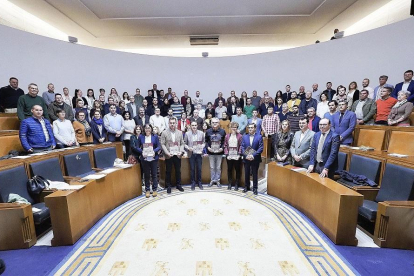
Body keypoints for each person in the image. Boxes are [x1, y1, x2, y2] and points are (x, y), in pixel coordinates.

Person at [161, 117, 185, 193]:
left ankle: (178, 185)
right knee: (168, 171)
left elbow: (182, 143)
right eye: (170, 123)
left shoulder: (180, 132)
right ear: (168, 124)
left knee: (178, 171)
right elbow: (162, 144)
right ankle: (168, 186)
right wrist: (167, 152)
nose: (172, 124)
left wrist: (181, 151)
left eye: (173, 123)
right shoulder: (164, 132)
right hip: (169, 155)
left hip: (177, 155)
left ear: (176, 123)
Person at [136, 124, 161, 197]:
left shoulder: (155, 136)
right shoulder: (141, 137)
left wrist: (154, 151)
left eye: (149, 128)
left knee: (154, 174)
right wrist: (142, 152)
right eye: (146, 128)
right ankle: (147, 189)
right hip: (145, 158)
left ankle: (154, 189)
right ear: (144, 129)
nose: (147, 130)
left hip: (153, 158)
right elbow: (137, 147)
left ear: (151, 129)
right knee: (146, 174)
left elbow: (159, 146)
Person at [241, 123, 264, 195]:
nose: (250, 129)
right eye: (249, 128)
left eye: (251, 128)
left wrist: (253, 155)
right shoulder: (244, 136)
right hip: (246, 158)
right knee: (246, 173)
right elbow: (242, 147)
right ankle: (246, 186)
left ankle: (255, 188)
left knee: (255, 173)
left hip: (255, 158)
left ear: (255, 128)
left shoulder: (259, 137)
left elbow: (261, 148)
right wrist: (246, 155)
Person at [184, 121, 205, 190]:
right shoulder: (187, 134)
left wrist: (202, 146)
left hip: (199, 154)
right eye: (192, 125)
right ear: (190, 126)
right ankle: (193, 183)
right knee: (192, 169)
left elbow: (204, 142)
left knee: (199, 169)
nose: (194, 127)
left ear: (197, 126)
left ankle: (199, 182)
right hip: (191, 154)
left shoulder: (201, 133)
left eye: (195, 125)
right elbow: (184, 143)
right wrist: (188, 148)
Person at [205, 117, 226, 187]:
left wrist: (222, 148)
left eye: (216, 122)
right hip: (211, 153)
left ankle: (217, 180)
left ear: (219, 123)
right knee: (212, 167)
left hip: (219, 153)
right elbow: (206, 141)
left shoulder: (222, 131)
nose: (214, 124)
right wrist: (208, 147)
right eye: (213, 122)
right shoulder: (208, 131)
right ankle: (212, 180)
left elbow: (224, 142)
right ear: (211, 123)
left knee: (218, 167)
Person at [224, 122, 242, 190]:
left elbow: (241, 146)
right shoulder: (227, 136)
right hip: (229, 156)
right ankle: (229, 183)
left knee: (237, 170)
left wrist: (239, 154)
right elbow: (225, 145)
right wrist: (227, 154)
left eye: (235, 127)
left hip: (237, 156)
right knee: (229, 170)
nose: (234, 128)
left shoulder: (240, 136)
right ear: (230, 128)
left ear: (237, 128)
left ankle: (237, 184)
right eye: (232, 127)